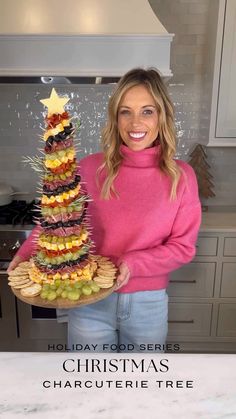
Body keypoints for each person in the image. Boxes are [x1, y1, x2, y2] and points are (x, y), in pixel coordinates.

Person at [8, 68, 201, 353]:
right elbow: (57, 218)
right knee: (90, 385)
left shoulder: (181, 177)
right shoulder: (88, 168)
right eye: (126, 111)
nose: (135, 122)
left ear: (162, 116)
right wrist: (24, 255)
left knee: (142, 388)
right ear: (115, 117)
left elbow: (183, 247)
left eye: (147, 111)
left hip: (147, 303)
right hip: (89, 302)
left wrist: (132, 263)